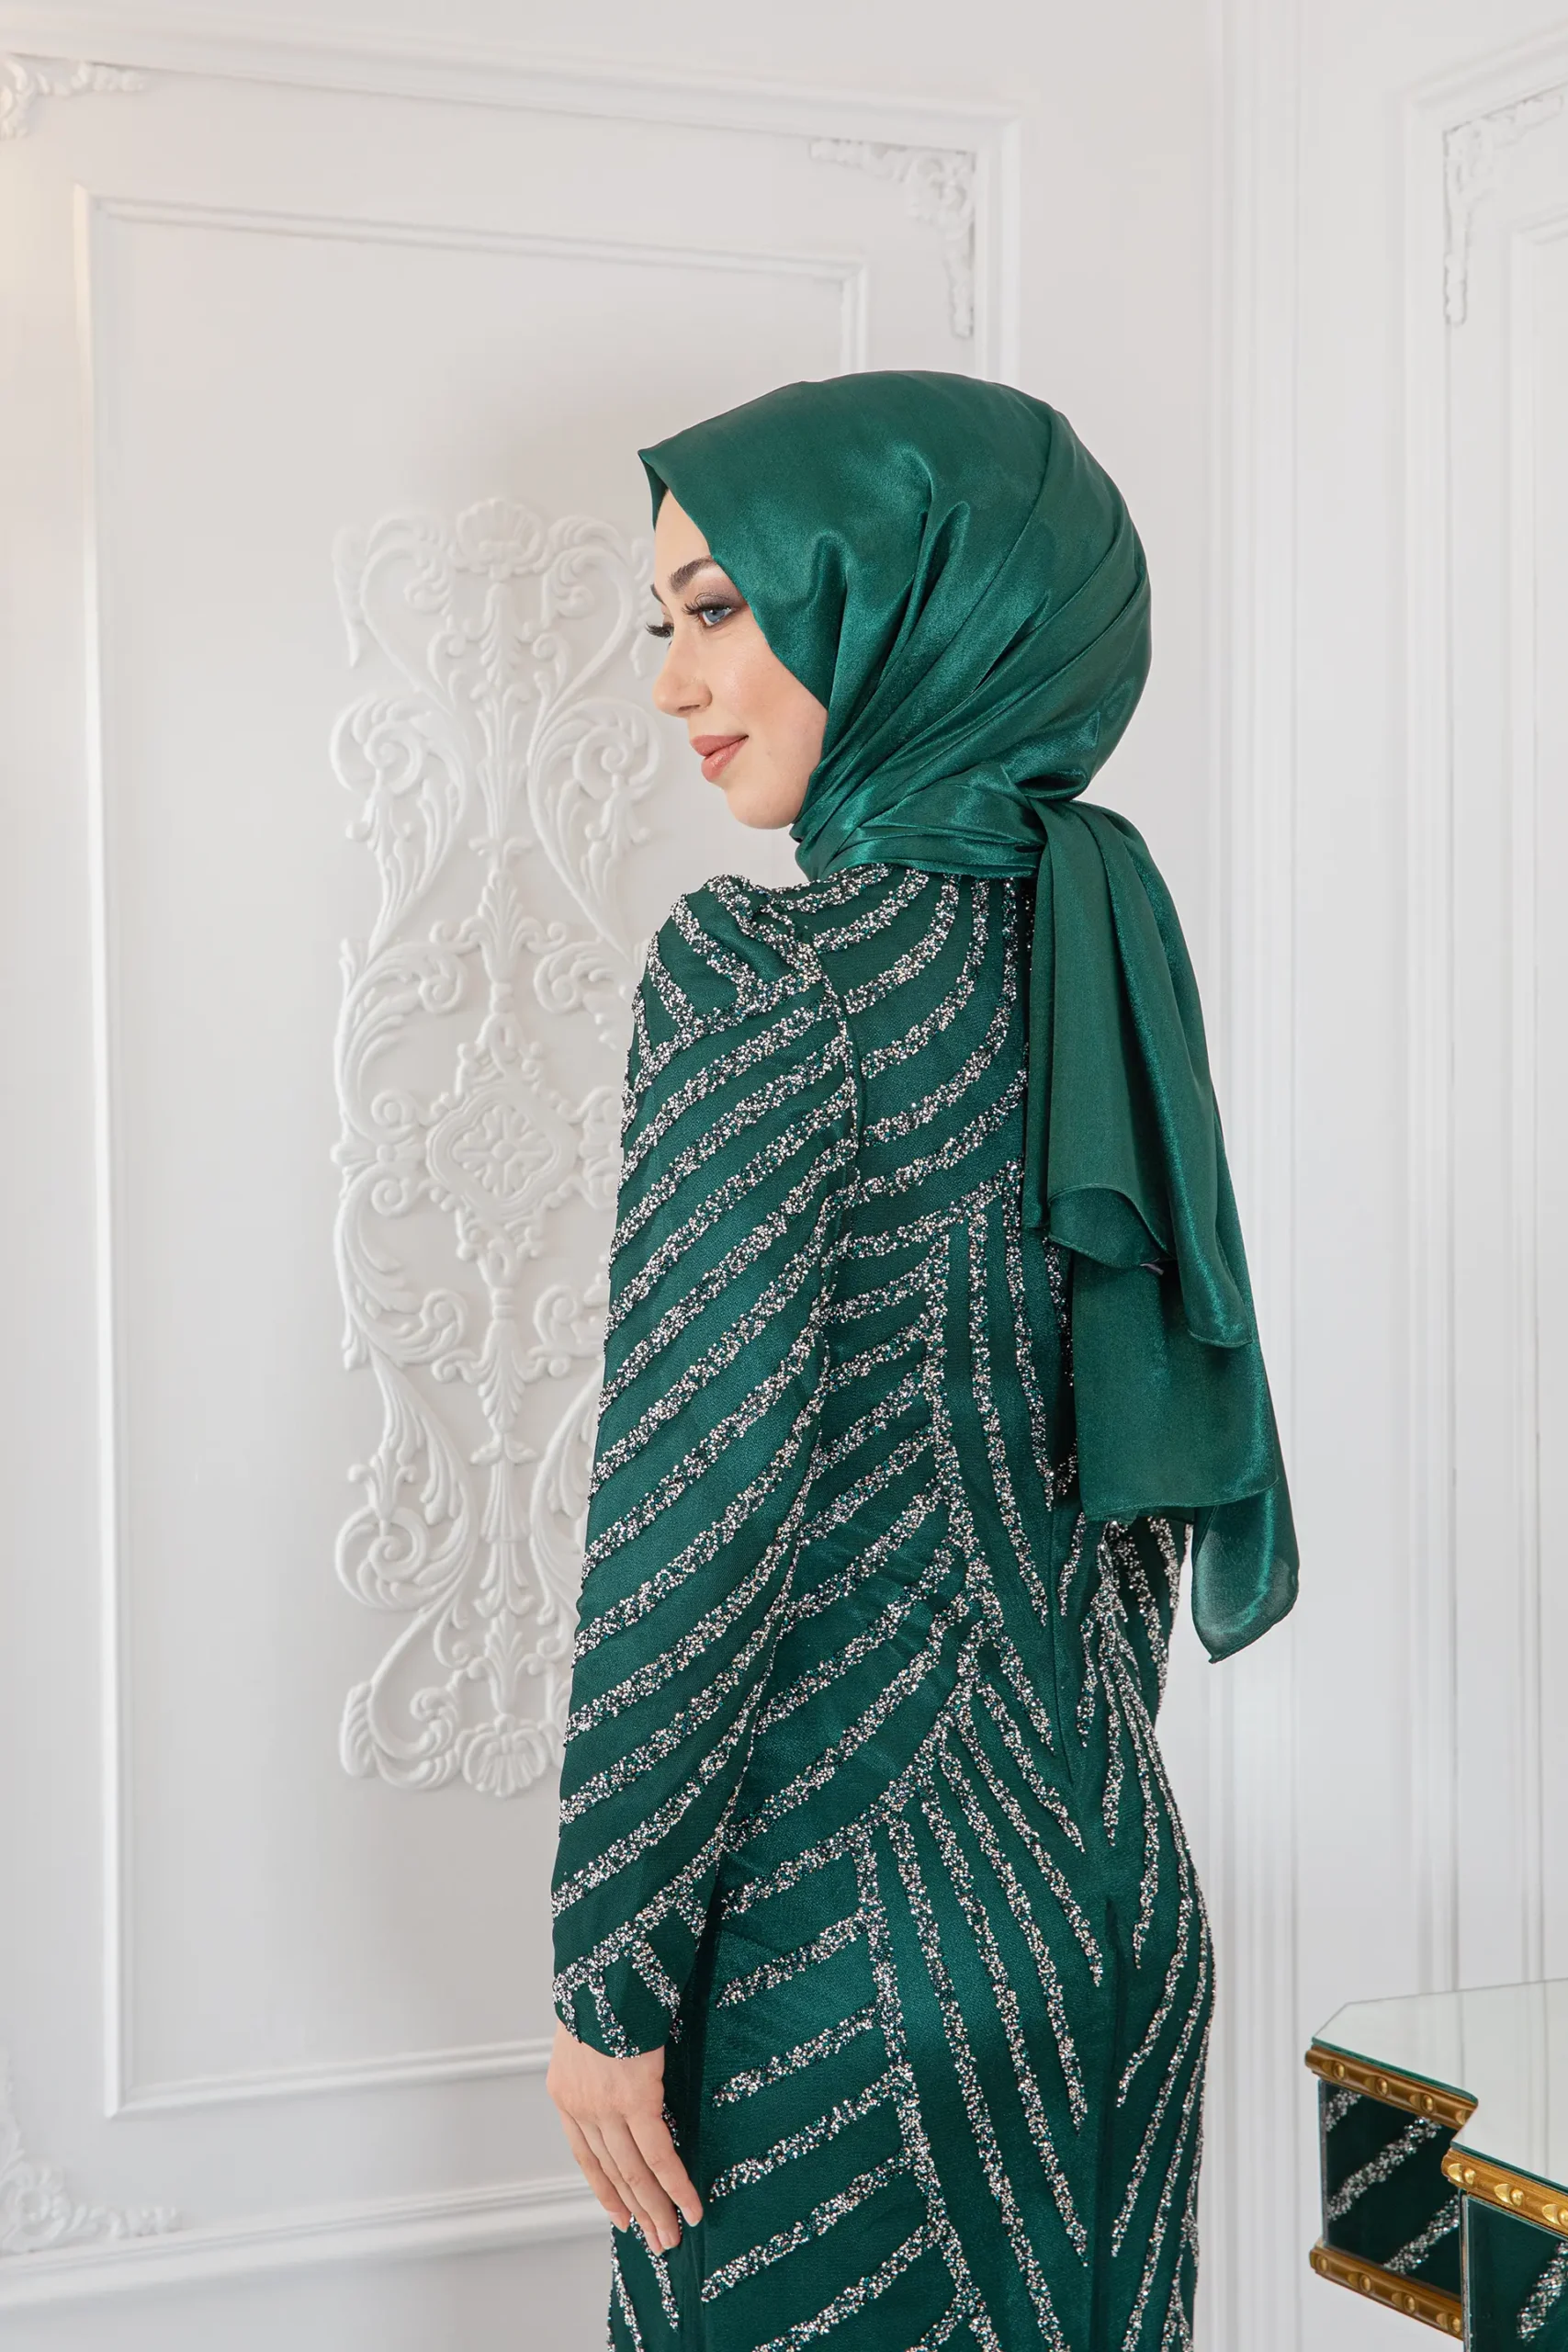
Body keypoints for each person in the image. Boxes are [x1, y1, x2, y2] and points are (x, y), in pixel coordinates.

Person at [547, 371, 1296, 2352]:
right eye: (666, 624)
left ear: (904, 599)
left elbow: (693, 1504)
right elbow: (1130, 1495)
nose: (675, 683)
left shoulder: (763, 977)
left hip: (839, 1957)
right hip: (1113, 1915)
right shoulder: (1102, 966)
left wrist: (606, 1974)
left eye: (721, 609)